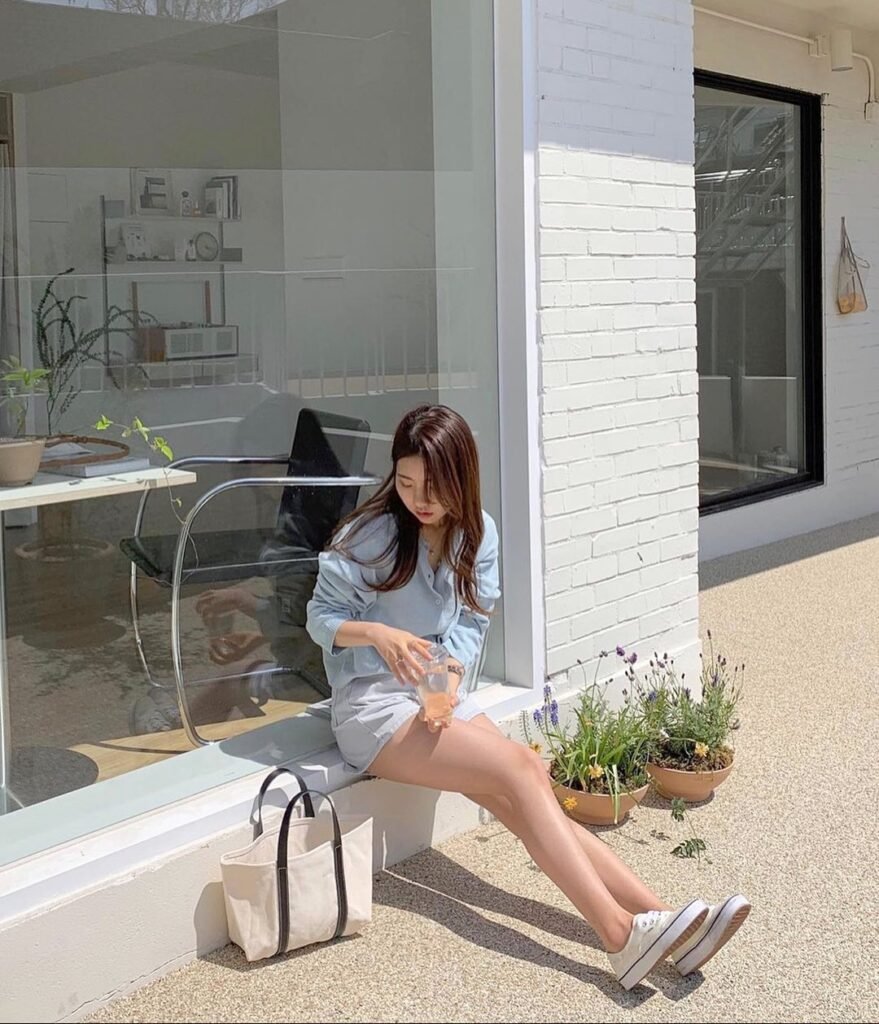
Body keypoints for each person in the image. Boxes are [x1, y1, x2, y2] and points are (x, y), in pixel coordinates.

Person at [306, 405, 750, 990]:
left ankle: (661, 919)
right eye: (406, 482)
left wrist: (444, 686)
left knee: (527, 781)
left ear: (462, 476)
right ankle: (619, 937)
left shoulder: (478, 535)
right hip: (370, 708)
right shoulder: (371, 535)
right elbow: (319, 617)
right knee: (521, 767)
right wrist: (378, 635)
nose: (419, 498)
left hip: (433, 693)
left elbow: (468, 627)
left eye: (434, 486)